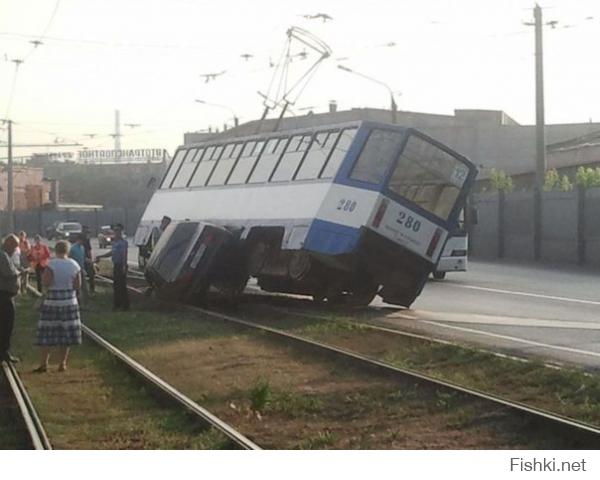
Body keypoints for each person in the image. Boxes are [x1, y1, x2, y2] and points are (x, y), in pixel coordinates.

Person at [33, 240, 82, 373]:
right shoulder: (74, 264)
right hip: (69, 302)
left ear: (56, 250)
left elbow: (46, 282)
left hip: (52, 302)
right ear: (68, 250)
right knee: (65, 334)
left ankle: (44, 364)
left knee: (47, 333)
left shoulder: (52, 264)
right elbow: (78, 285)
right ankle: (62, 363)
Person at [96, 224, 129, 311]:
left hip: (121, 265)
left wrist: (124, 266)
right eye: (115, 231)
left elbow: (124, 255)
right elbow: (111, 253)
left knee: (122, 286)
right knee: (116, 286)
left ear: (121, 232)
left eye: (118, 231)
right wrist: (101, 256)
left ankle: (125, 305)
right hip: (116, 265)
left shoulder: (123, 243)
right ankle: (117, 304)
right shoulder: (115, 242)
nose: (116, 232)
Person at [0, 235, 20, 363]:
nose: (15, 250)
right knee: (6, 324)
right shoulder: (2, 255)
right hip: (3, 295)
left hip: (4, 294)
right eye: (14, 247)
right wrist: (20, 272)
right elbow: (9, 273)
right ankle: (4, 352)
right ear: (9, 244)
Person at [69, 235, 87, 304]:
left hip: (81, 269)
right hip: (74, 270)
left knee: (84, 287)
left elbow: (83, 258)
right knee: (76, 287)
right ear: (78, 239)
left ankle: (84, 303)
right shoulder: (72, 248)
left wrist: (91, 262)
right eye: (82, 240)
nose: (82, 242)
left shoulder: (82, 248)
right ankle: (76, 302)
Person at [81, 226, 95, 293]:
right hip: (82, 259)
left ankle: (91, 289)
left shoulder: (87, 240)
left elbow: (89, 251)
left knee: (91, 274)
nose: (87, 234)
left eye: (88, 232)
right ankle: (84, 290)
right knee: (84, 275)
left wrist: (91, 260)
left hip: (87, 259)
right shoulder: (81, 240)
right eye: (86, 232)